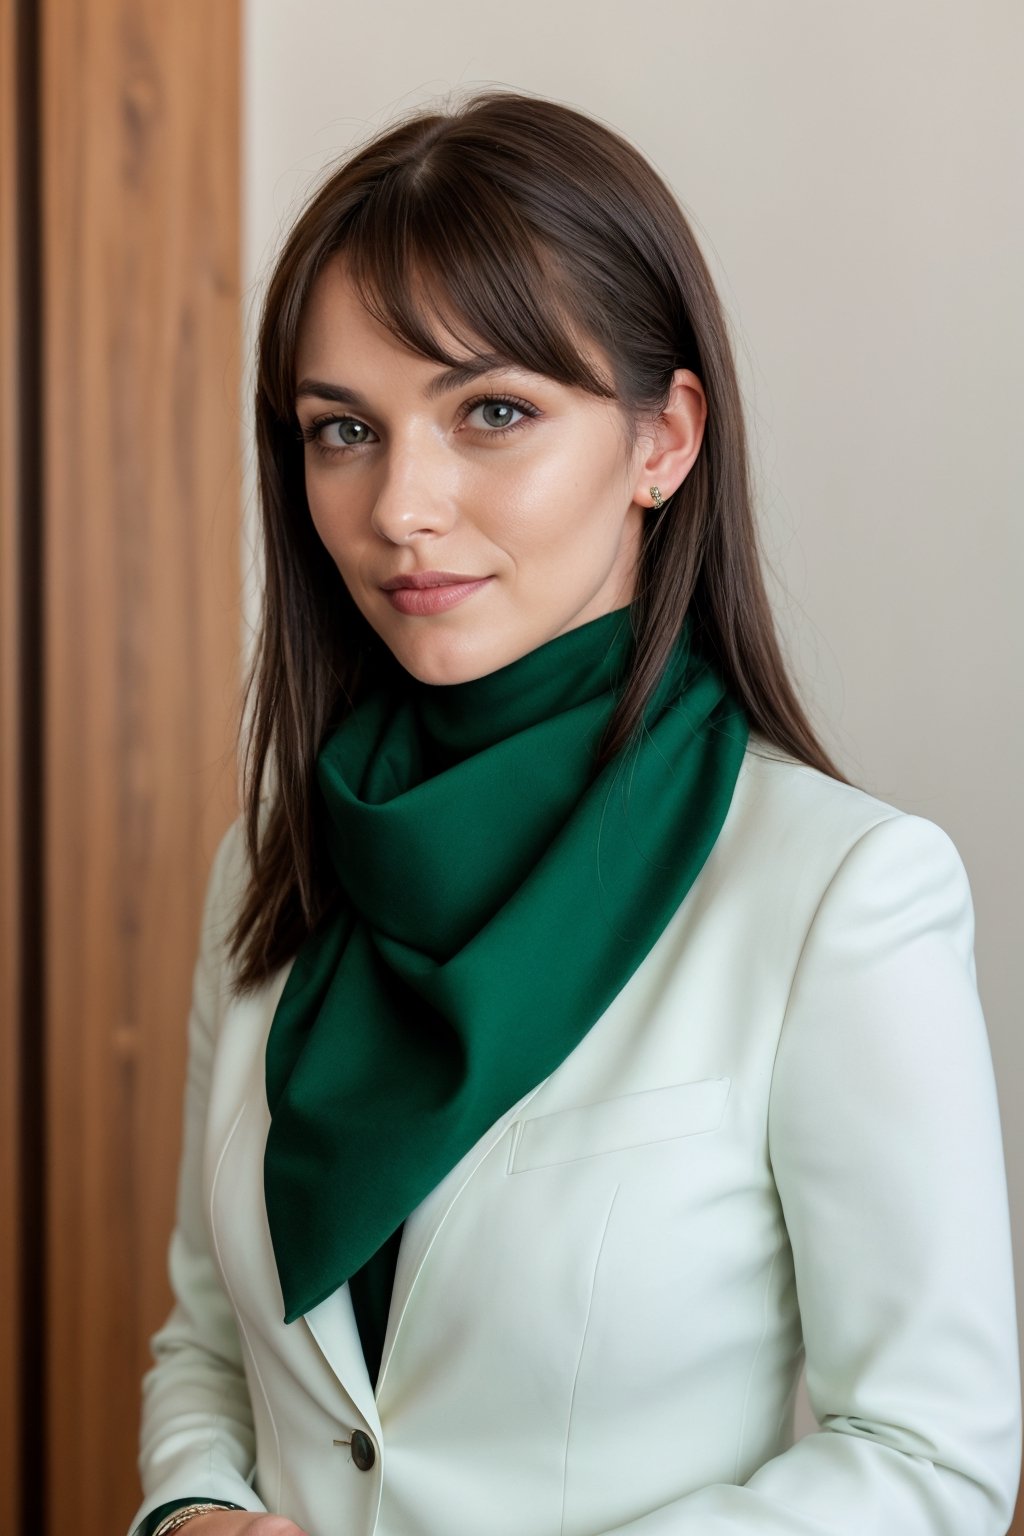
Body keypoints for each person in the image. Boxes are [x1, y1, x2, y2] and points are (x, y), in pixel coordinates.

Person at [127, 89, 1021, 1536]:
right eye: (342, 429)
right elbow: (208, 1351)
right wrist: (190, 1514)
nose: (402, 506)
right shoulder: (271, 871)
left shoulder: (840, 892)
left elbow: (928, 1460)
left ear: (662, 440)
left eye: (492, 412)